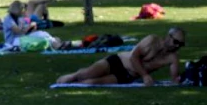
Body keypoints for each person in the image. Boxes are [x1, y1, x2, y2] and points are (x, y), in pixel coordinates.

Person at [55, 28, 187, 85]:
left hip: (128, 75)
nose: (177, 46)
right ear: (168, 37)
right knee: (86, 74)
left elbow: (174, 77)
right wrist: (145, 76)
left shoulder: (172, 58)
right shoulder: (152, 40)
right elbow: (134, 58)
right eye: (176, 42)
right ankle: (67, 79)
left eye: (180, 44)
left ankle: (72, 85)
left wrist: (179, 79)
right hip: (118, 61)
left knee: (94, 83)